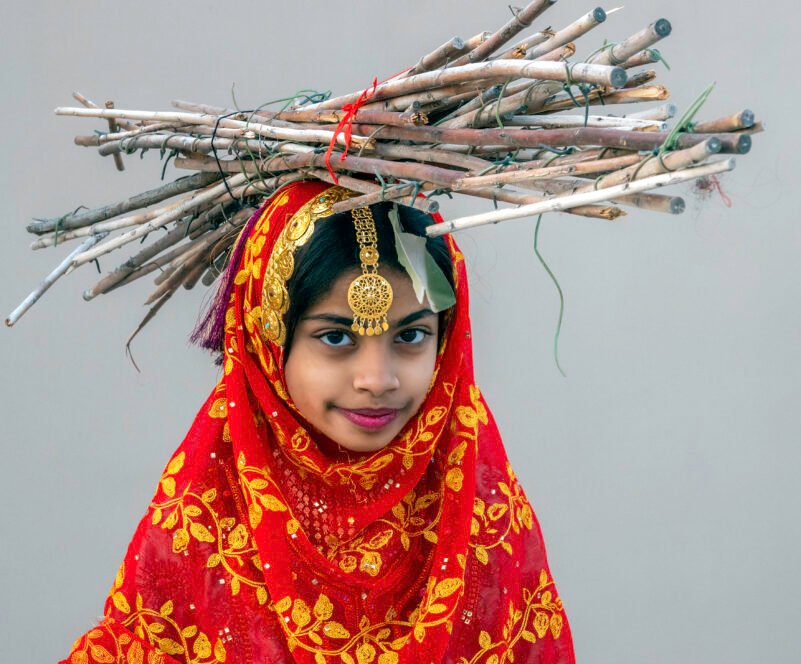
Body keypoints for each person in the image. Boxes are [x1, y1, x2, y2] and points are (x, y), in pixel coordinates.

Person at [61, 180, 575, 663]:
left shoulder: (485, 525)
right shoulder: (198, 532)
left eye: (411, 336)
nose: (377, 379)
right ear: (268, 340)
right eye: (336, 338)